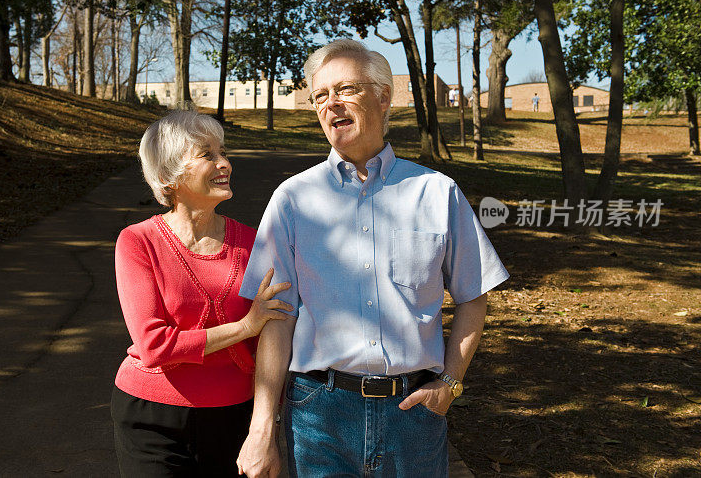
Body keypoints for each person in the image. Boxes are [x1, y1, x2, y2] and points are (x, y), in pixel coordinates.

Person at [236, 40, 509, 477]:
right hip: (318, 412)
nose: (331, 104)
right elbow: (276, 318)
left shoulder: (437, 193)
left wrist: (451, 384)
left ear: (384, 97)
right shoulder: (292, 200)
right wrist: (261, 428)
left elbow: (473, 297)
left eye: (345, 89)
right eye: (320, 96)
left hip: (414, 413)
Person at [110, 110, 292, 477]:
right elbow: (154, 346)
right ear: (168, 177)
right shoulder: (138, 241)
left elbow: (274, 339)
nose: (224, 163)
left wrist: (267, 425)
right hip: (151, 416)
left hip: (234, 415)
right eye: (207, 155)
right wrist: (245, 327)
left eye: (223, 152)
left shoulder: (255, 242)